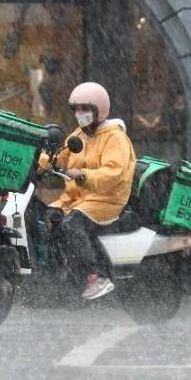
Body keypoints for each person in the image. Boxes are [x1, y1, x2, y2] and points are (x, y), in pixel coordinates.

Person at [41, 82, 136, 300]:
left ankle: (96, 276)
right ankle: (64, 276)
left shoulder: (115, 138)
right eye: (76, 109)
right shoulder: (79, 136)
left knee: (72, 223)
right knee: (47, 219)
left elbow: (114, 173)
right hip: (78, 198)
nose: (79, 114)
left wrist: (84, 176)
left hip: (106, 199)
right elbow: (59, 157)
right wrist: (36, 160)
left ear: (99, 110)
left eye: (85, 109)